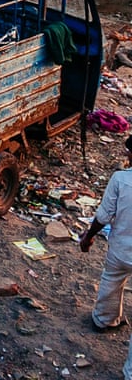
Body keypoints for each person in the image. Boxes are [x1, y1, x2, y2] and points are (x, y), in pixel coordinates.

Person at [81, 136, 132, 342]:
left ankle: (104, 319)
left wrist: (88, 237)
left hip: (120, 248)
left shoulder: (120, 179)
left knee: (112, 279)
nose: (126, 154)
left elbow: (104, 216)